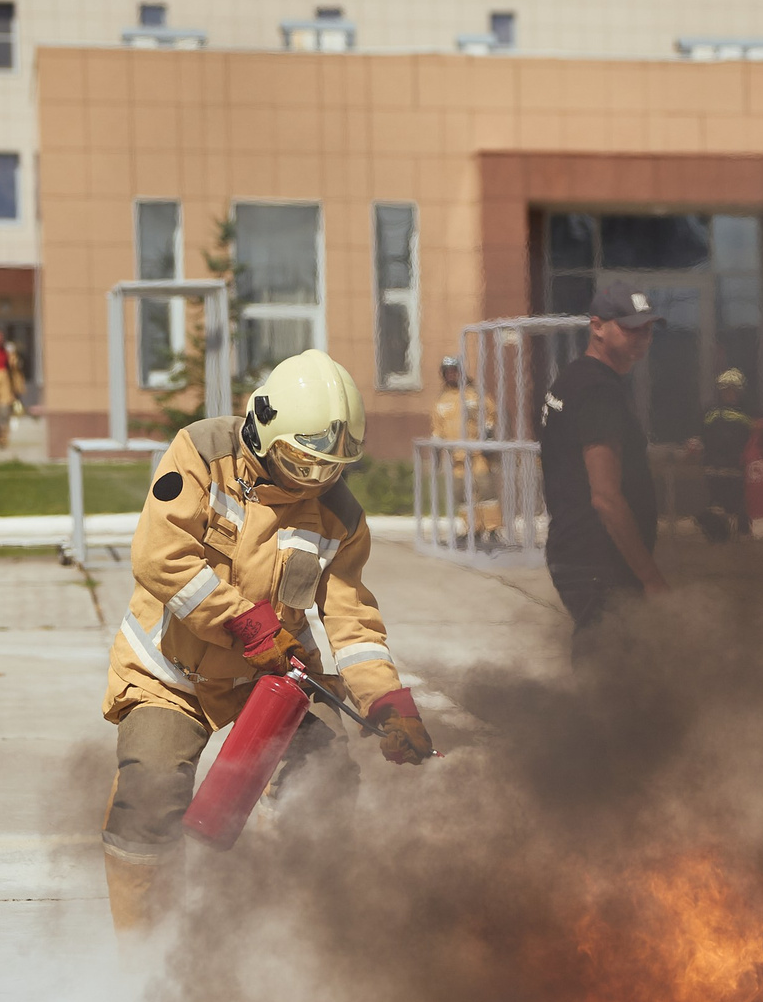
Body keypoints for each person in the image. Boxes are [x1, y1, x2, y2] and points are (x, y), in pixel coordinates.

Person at [99, 349, 430, 931]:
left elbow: (352, 620)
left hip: (271, 683)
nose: (316, 483)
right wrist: (251, 627)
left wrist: (388, 703)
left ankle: (297, 940)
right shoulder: (202, 454)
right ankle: (141, 954)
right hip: (172, 675)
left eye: (331, 469)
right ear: (263, 429)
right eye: (302, 465)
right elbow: (160, 558)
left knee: (325, 783)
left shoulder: (341, 519)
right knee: (150, 794)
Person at [540, 281, 671, 651]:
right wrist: (651, 578)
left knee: (609, 674)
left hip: (578, 554)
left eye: (647, 329)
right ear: (597, 326)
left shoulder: (574, 379)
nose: (641, 337)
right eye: (630, 327)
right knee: (609, 678)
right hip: (598, 562)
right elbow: (606, 498)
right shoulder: (598, 391)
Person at [429, 355, 502, 548]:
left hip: (477, 453)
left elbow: (490, 414)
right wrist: (436, 447)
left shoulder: (474, 394)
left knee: (486, 491)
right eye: (448, 372)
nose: (452, 375)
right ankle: (472, 529)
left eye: (455, 371)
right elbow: (438, 427)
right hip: (456, 458)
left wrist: (488, 434)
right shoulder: (441, 400)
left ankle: (493, 529)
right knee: (462, 495)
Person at [692, 368, 755, 543]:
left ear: (739, 391)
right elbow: (701, 434)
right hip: (713, 466)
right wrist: (696, 444)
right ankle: (718, 533)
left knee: (736, 502)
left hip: (736, 465)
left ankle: (742, 531)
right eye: (725, 390)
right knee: (717, 502)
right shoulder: (710, 412)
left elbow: (753, 436)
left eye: (732, 390)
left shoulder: (746, 413)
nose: (729, 394)